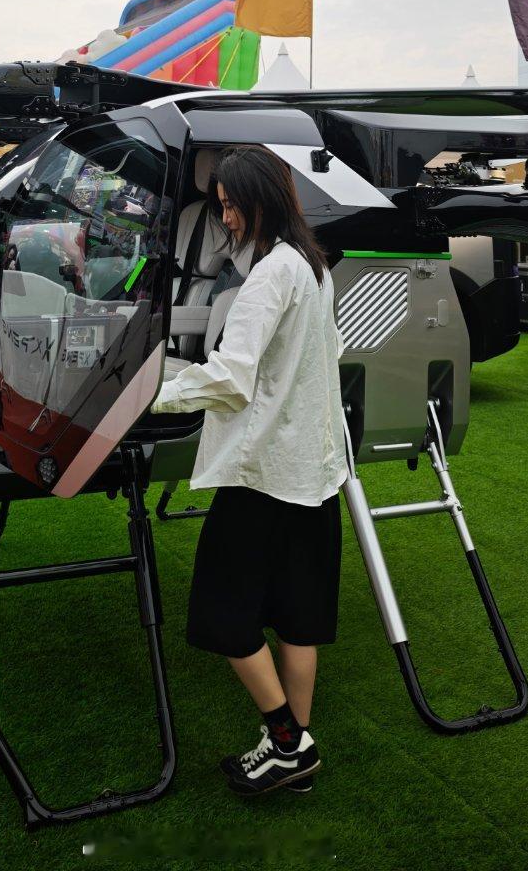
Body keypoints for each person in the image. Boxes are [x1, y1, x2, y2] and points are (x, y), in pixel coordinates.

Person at [148, 145, 348, 797]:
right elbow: (323, 356)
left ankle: (287, 743)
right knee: (297, 618)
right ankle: (296, 757)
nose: (226, 219)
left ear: (261, 201)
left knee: (225, 615)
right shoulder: (313, 266)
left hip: (263, 475)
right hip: (313, 474)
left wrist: (148, 395)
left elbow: (232, 379)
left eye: (232, 205)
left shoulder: (269, 275)